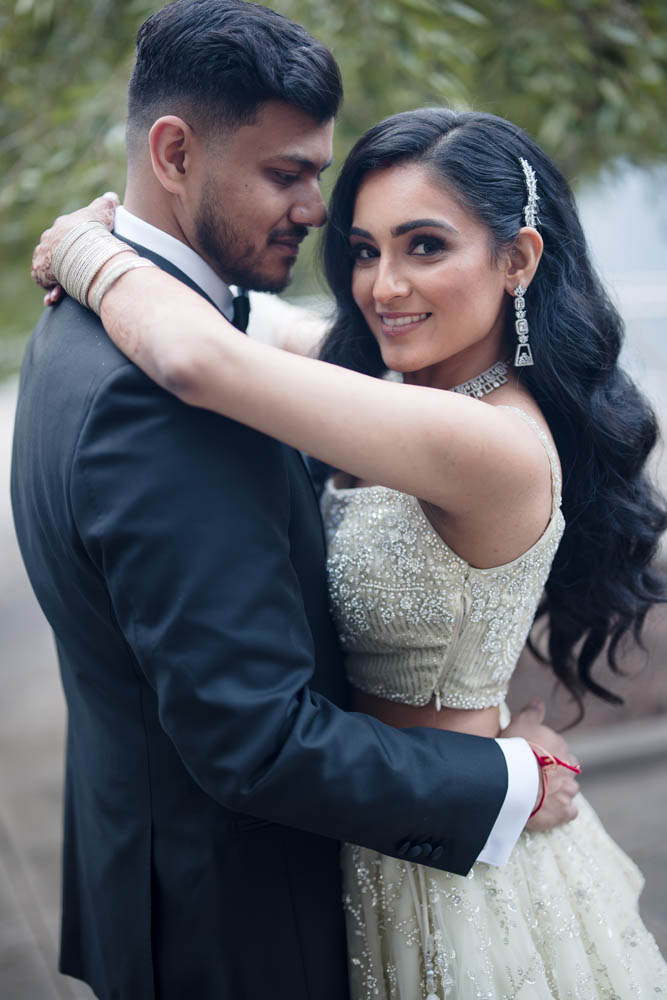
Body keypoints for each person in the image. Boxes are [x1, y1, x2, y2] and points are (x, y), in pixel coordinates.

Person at [32, 106, 667, 996]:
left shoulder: (488, 443)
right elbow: (256, 321)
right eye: (365, 250)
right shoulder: (409, 387)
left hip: (450, 876)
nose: (383, 288)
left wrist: (83, 247)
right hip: (389, 828)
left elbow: (198, 359)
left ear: (516, 259)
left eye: (424, 247)